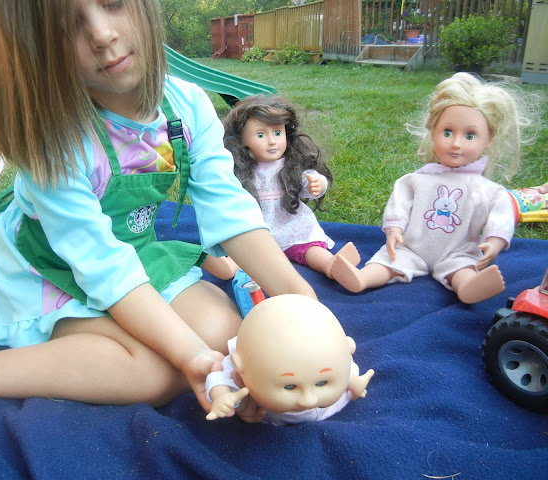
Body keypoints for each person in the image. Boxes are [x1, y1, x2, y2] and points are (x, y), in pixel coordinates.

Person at [0, 0, 316, 449]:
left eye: (112, 3)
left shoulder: (185, 106)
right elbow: (99, 263)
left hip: (132, 251)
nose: (102, 35)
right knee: (156, 373)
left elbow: (231, 212)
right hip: (54, 268)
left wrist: (304, 303)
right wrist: (192, 358)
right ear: (36, 46)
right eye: (69, 24)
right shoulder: (55, 140)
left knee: (223, 334)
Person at [330, 72, 540, 304]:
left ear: (488, 139)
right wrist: (394, 230)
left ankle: (467, 287)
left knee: (463, 268)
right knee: (388, 261)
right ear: (433, 133)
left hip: (457, 251)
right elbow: (399, 205)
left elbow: (501, 216)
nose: (456, 143)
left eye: (470, 135)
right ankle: (362, 278)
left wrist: (494, 242)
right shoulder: (416, 180)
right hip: (410, 247)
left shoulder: (489, 190)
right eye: (447, 132)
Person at [223, 95, 361, 282]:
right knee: (245, 249)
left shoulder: (290, 164)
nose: (272, 141)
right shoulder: (240, 169)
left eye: (277, 133)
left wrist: (316, 184)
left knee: (311, 249)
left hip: (292, 226)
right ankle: (229, 266)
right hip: (257, 228)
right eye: (261, 135)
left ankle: (330, 265)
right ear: (241, 140)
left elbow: (306, 178)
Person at [205, 294, 374, 425]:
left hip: (334, 407)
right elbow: (218, 377)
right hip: (268, 417)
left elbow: (342, 366)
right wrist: (220, 395)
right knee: (243, 400)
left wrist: (354, 384)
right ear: (240, 365)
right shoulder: (247, 360)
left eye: (322, 382)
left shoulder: (332, 357)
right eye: (290, 386)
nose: (309, 400)